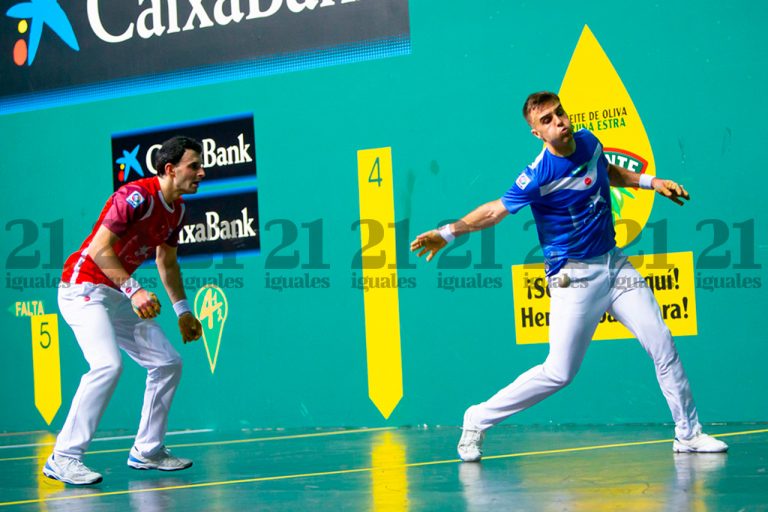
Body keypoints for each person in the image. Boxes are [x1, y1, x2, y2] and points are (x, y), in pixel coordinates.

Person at [410, 92, 728, 462]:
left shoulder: (590, 141)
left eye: (559, 113)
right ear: (537, 133)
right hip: (573, 278)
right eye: (546, 120)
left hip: (614, 264)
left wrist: (651, 181)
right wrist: (447, 232)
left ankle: (688, 433)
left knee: (662, 343)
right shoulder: (539, 174)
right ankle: (477, 418)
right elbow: (495, 211)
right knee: (559, 373)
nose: (558, 121)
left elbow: (607, 172)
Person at [43, 136, 206, 485]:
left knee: (167, 362)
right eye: (194, 165)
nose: (201, 172)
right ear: (169, 169)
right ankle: (63, 457)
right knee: (106, 364)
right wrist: (134, 291)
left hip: (115, 293)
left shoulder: (177, 209)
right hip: (82, 287)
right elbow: (101, 248)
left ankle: (147, 451)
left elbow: (168, 262)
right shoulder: (135, 196)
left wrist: (183, 311)